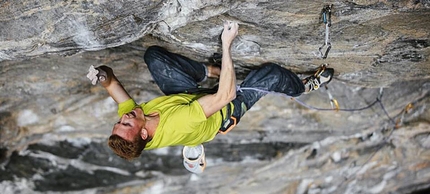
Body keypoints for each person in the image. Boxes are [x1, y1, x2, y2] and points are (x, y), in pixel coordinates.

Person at [87, 21, 334, 165]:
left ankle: (212, 72)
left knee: (154, 57)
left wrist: (101, 74)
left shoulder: (135, 125)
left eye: (119, 121)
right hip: (223, 110)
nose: (124, 116)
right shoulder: (179, 123)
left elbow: (111, 83)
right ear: (143, 132)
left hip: (188, 99)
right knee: (272, 75)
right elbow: (224, 97)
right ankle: (304, 87)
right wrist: (227, 44)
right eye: (126, 123)